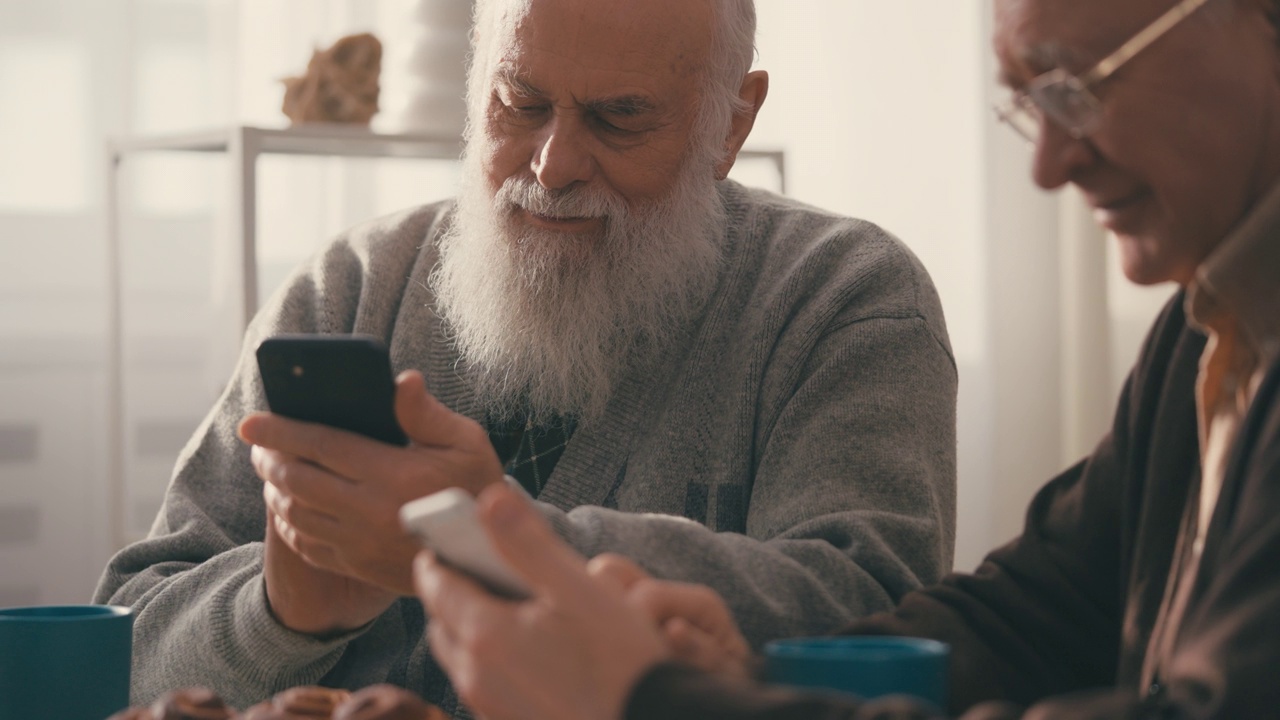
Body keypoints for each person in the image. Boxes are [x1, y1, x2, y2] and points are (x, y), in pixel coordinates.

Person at [413, 0, 1280, 717]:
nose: (1048, 167)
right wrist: (748, 679)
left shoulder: (849, 295)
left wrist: (660, 698)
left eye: (1076, 89)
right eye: (1029, 106)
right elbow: (1031, 615)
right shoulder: (1208, 327)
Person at [93, 0, 959, 712]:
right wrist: (281, 609)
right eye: (521, 102)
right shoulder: (350, 287)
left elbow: (876, 622)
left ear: (732, 121)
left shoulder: (846, 300)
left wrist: (484, 541)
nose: (552, 165)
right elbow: (116, 654)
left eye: (620, 118)